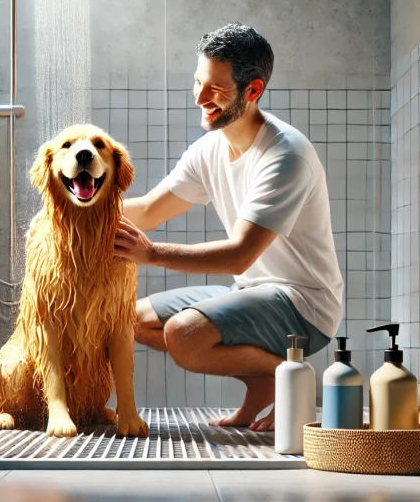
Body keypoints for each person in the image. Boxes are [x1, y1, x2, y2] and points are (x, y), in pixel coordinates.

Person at [113, 23, 344, 431]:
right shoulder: (209, 149)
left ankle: (293, 380)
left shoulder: (285, 155)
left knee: (185, 334)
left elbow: (240, 253)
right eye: (198, 82)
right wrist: (72, 213)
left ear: (252, 91)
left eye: (215, 89)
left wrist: (150, 254)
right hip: (252, 291)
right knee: (127, 319)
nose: (200, 98)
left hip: (304, 306)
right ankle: (269, 380)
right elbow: (148, 209)